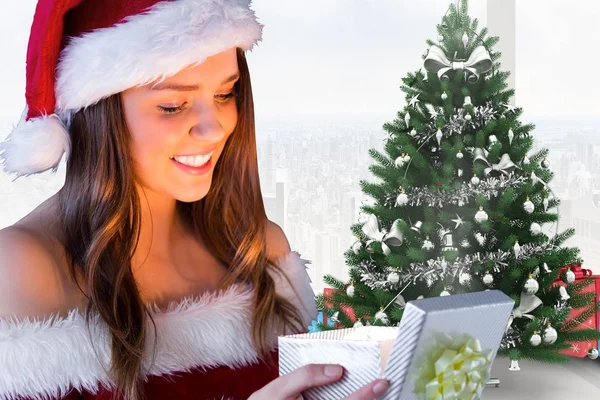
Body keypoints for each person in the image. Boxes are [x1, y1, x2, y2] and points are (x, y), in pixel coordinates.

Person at [0, 1, 391, 399]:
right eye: (173, 105)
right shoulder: (23, 267)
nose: (214, 128)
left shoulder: (256, 248)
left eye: (226, 92)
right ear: (98, 110)